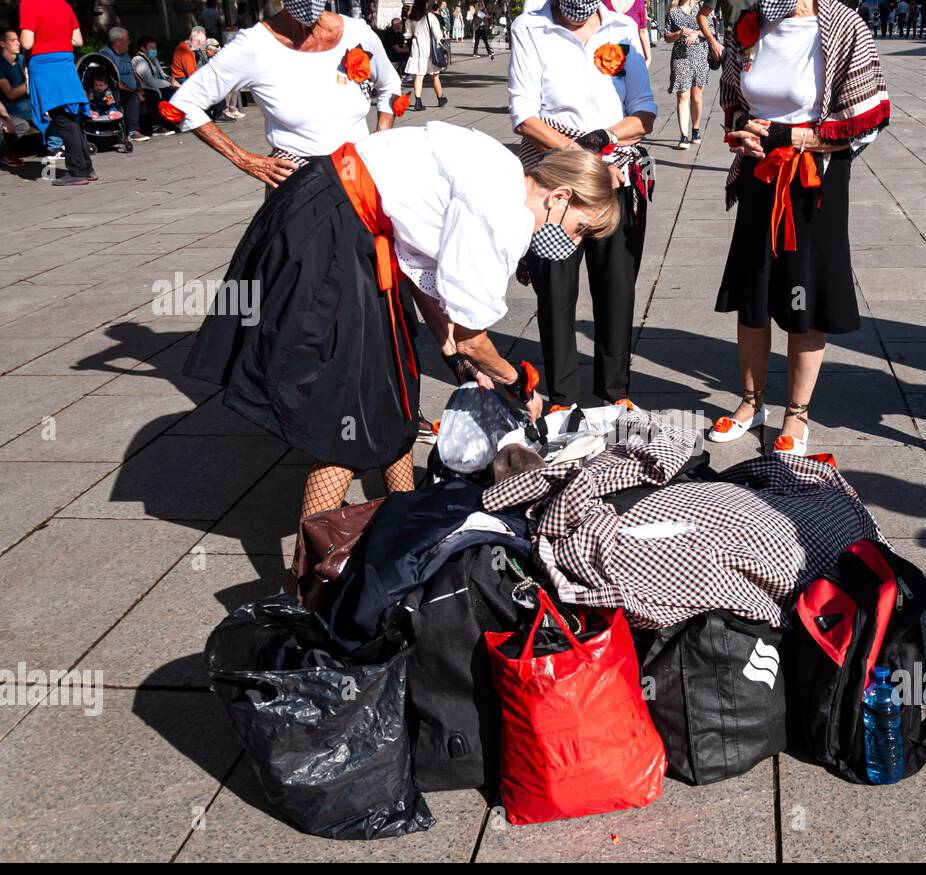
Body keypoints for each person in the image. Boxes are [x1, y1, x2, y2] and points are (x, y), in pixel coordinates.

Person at [182, 122, 619, 543]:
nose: (574, 242)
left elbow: (429, 281)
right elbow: (473, 335)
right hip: (331, 231)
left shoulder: (504, 170)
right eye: (580, 227)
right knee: (346, 411)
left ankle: (405, 514)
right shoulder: (502, 212)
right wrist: (517, 382)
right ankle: (310, 580)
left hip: (336, 213)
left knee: (393, 380)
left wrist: (456, 358)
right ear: (560, 195)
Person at [712, 0, 889, 456]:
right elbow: (733, 100)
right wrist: (741, 130)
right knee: (754, 289)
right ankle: (751, 403)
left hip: (815, 180)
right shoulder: (750, 22)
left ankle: (797, 411)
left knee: (803, 291)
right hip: (758, 174)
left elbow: (865, 119)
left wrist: (792, 138)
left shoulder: (844, 26)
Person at [509, 0, 657, 410]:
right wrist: (582, 157)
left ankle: (615, 393)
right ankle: (562, 396)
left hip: (616, 176)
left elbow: (644, 112)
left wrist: (602, 139)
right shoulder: (530, 27)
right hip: (556, 175)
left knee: (616, 286)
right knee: (555, 290)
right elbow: (524, 115)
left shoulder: (622, 28)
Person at [166, 2, 401, 184]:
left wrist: (379, 140)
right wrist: (246, 160)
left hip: (357, 176)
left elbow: (389, 82)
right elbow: (184, 103)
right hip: (297, 182)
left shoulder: (356, 33)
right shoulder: (254, 45)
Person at [19, 0, 94, 185]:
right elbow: (78, 40)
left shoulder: (29, 4)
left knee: (62, 120)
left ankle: (78, 172)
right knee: (71, 118)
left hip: (45, 67)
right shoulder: (65, 5)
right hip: (65, 64)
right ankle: (86, 168)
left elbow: (26, 43)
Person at [665, 0, 710, 149]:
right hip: (680, 57)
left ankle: (695, 129)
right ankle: (683, 136)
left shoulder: (703, 7)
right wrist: (679, 33)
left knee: (696, 97)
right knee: (683, 96)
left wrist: (697, 33)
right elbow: (667, 37)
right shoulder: (673, 11)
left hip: (700, 55)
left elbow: (711, 31)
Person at [99, 26, 148, 141]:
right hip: (112, 91)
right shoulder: (106, 55)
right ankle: (133, 131)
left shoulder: (125, 54)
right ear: (117, 42)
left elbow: (133, 73)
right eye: (127, 39)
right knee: (134, 97)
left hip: (130, 89)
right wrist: (135, 92)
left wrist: (139, 89)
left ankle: (153, 126)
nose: (129, 42)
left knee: (149, 94)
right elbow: (116, 82)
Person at [131, 35, 179, 137]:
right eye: (151, 48)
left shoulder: (154, 59)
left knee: (176, 92)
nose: (154, 50)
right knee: (156, 96)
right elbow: (151, 81)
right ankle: (156, 126)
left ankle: (173, 122)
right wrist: (169, 84)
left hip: (158, 86)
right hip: (146, 88)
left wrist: (169, 79)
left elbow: (162, 75)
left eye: (155, 48)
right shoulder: (139, 60)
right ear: (143, 48)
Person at [405, 0, 447, 110]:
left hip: (417, 49)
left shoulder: (410, 18)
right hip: (429, 49)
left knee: (419, 76)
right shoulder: (430, 16)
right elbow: (438, 34)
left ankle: (418, 101)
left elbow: (408, 35)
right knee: (435, 75)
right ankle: (440, 98)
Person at [0, 29, 34, 128]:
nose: (18, 43)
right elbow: (10, 94)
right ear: (2, 44)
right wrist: (30, 81)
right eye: (13, 40)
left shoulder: (21, 59)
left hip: (27, 102)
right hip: (9, 106)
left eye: (18, 40)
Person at [602, 0, 653, 65]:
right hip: (626, 55)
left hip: (608, 56)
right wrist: (648, 59)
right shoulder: (639, 2)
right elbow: (642, 31)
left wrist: (648, 59)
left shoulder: (604, 2)